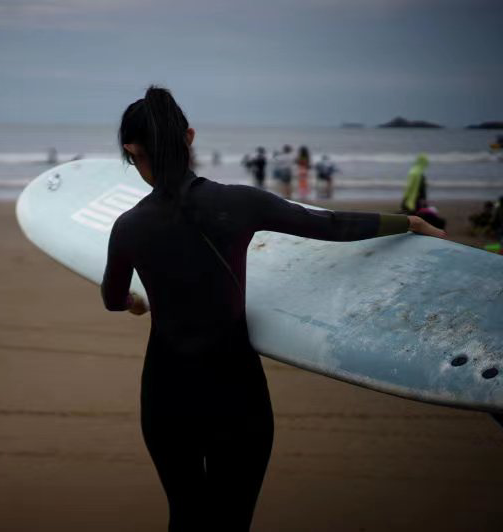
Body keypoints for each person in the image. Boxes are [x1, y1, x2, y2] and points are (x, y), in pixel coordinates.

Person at [102, 86, 445, 532]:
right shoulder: (242, 202)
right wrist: (411, 222)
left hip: (168, 394)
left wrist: (133, 303)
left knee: (186, 514)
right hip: (235, 390)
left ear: (131, 150)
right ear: (189, 136)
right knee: (233, 519)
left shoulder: (128, 227)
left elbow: (113, 299)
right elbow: (331, 225)